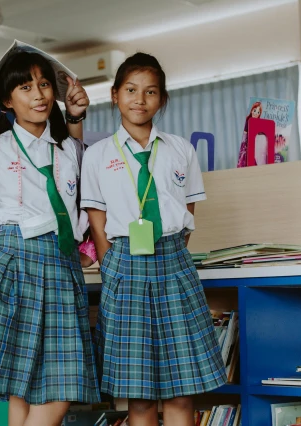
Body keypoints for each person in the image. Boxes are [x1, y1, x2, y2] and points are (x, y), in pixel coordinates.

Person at [0, 49, 100, 426]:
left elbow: (89, 207)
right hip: (10, 258)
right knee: (20, 387)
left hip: (61, 265)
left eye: (44, 85)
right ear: (7, 100)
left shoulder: (72, 151)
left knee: (60, 386)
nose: (39, 94)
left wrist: (87, 251)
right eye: (25, 87)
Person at [81, 52, 226, 426]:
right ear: (114, 95)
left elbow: (189, 213)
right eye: (130, 90)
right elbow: (97, 220)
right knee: (139, 393)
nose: (139, 99)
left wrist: (173, 253)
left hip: (174, 263)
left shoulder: (181, 149)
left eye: (150, 92)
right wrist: (111, 262)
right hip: (124, 264)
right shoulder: (97, 155)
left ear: (161, 99)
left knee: (182, 389)